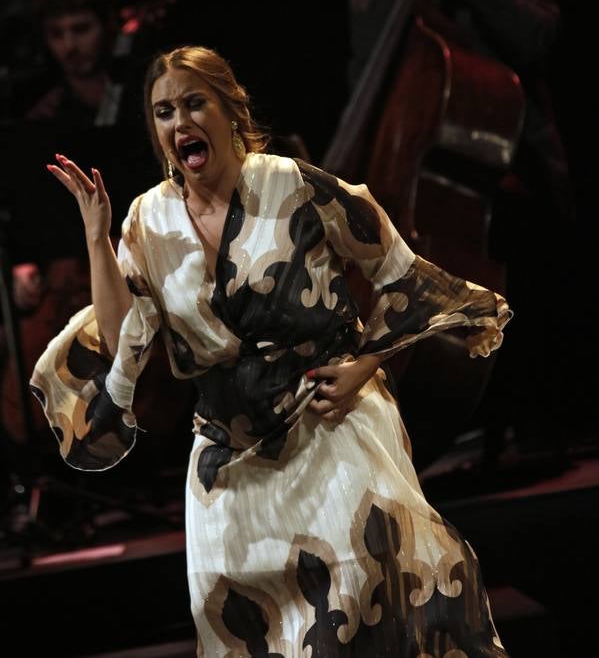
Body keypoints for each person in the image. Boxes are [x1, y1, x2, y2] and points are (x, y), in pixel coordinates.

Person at [31, 45, 511, 656]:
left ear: (231, 110)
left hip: (327, 425)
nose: (179, 123)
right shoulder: (148, 220)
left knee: (356, 602)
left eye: (193, 103)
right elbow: (122, 331)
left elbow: (400, 272)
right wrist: (97, 240)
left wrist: (365, 365)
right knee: (250, 636)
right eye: (163, 112)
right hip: (228, 458)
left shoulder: (293, 186)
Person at [348, 0, 575, 463]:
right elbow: (365, 99)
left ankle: (538, 431)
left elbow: (538, 40)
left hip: (513, 176)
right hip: (423, 190)